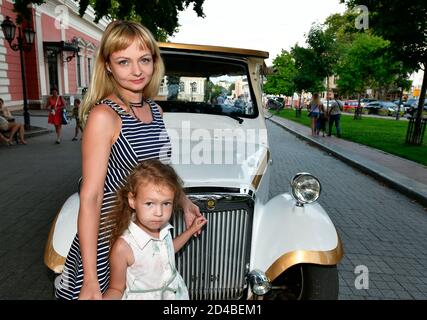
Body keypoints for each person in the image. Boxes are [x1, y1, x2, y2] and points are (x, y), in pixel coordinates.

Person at [54, 20, 201, 300]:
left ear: (154, 62)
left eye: (144, 59)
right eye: (124, 61)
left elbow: (159, 173)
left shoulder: (155, 110)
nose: (137, 70)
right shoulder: (104, 116)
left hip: (145, 234)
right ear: (108, 65)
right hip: (109, 238)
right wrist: (90, 279)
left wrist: (185, 202)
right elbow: (92, 197)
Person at [103, 160, 207, 300]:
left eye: (166, 203)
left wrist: (191, 230)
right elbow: (116, 288)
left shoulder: (163, 229)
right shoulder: (124, 247)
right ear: (132, 200)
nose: (159, 212)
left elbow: (168, 249)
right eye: (149, 203)